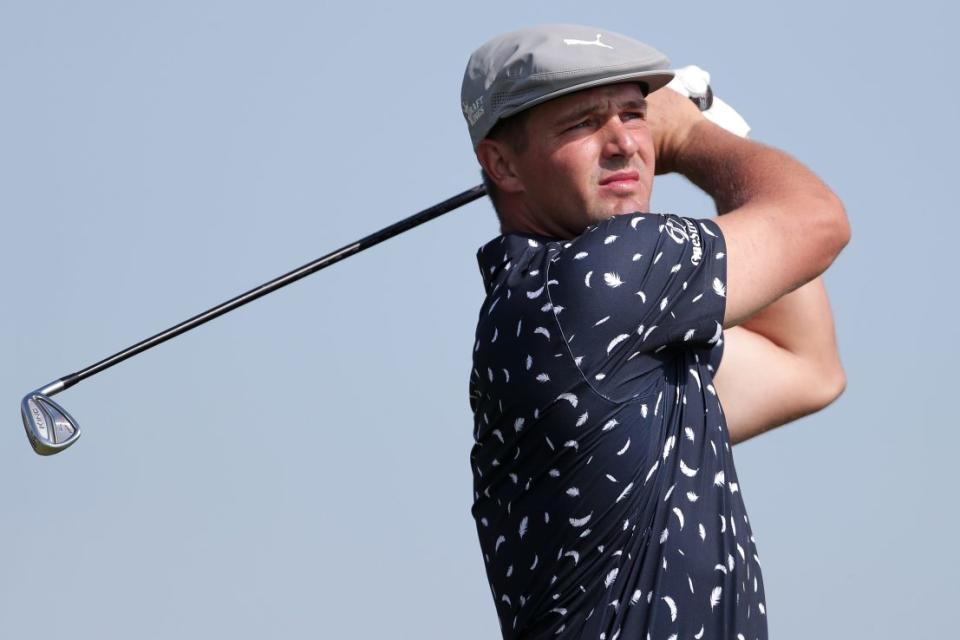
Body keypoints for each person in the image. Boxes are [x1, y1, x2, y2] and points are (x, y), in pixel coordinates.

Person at [462, 24, 850, 640]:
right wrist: (695, 136)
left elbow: (806, 367)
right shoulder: (595, 276)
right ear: (501, 164)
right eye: (582, 123)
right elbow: (817, 222)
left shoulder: (563, 322)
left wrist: (723, 137)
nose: (622, 143)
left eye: (634, 114)